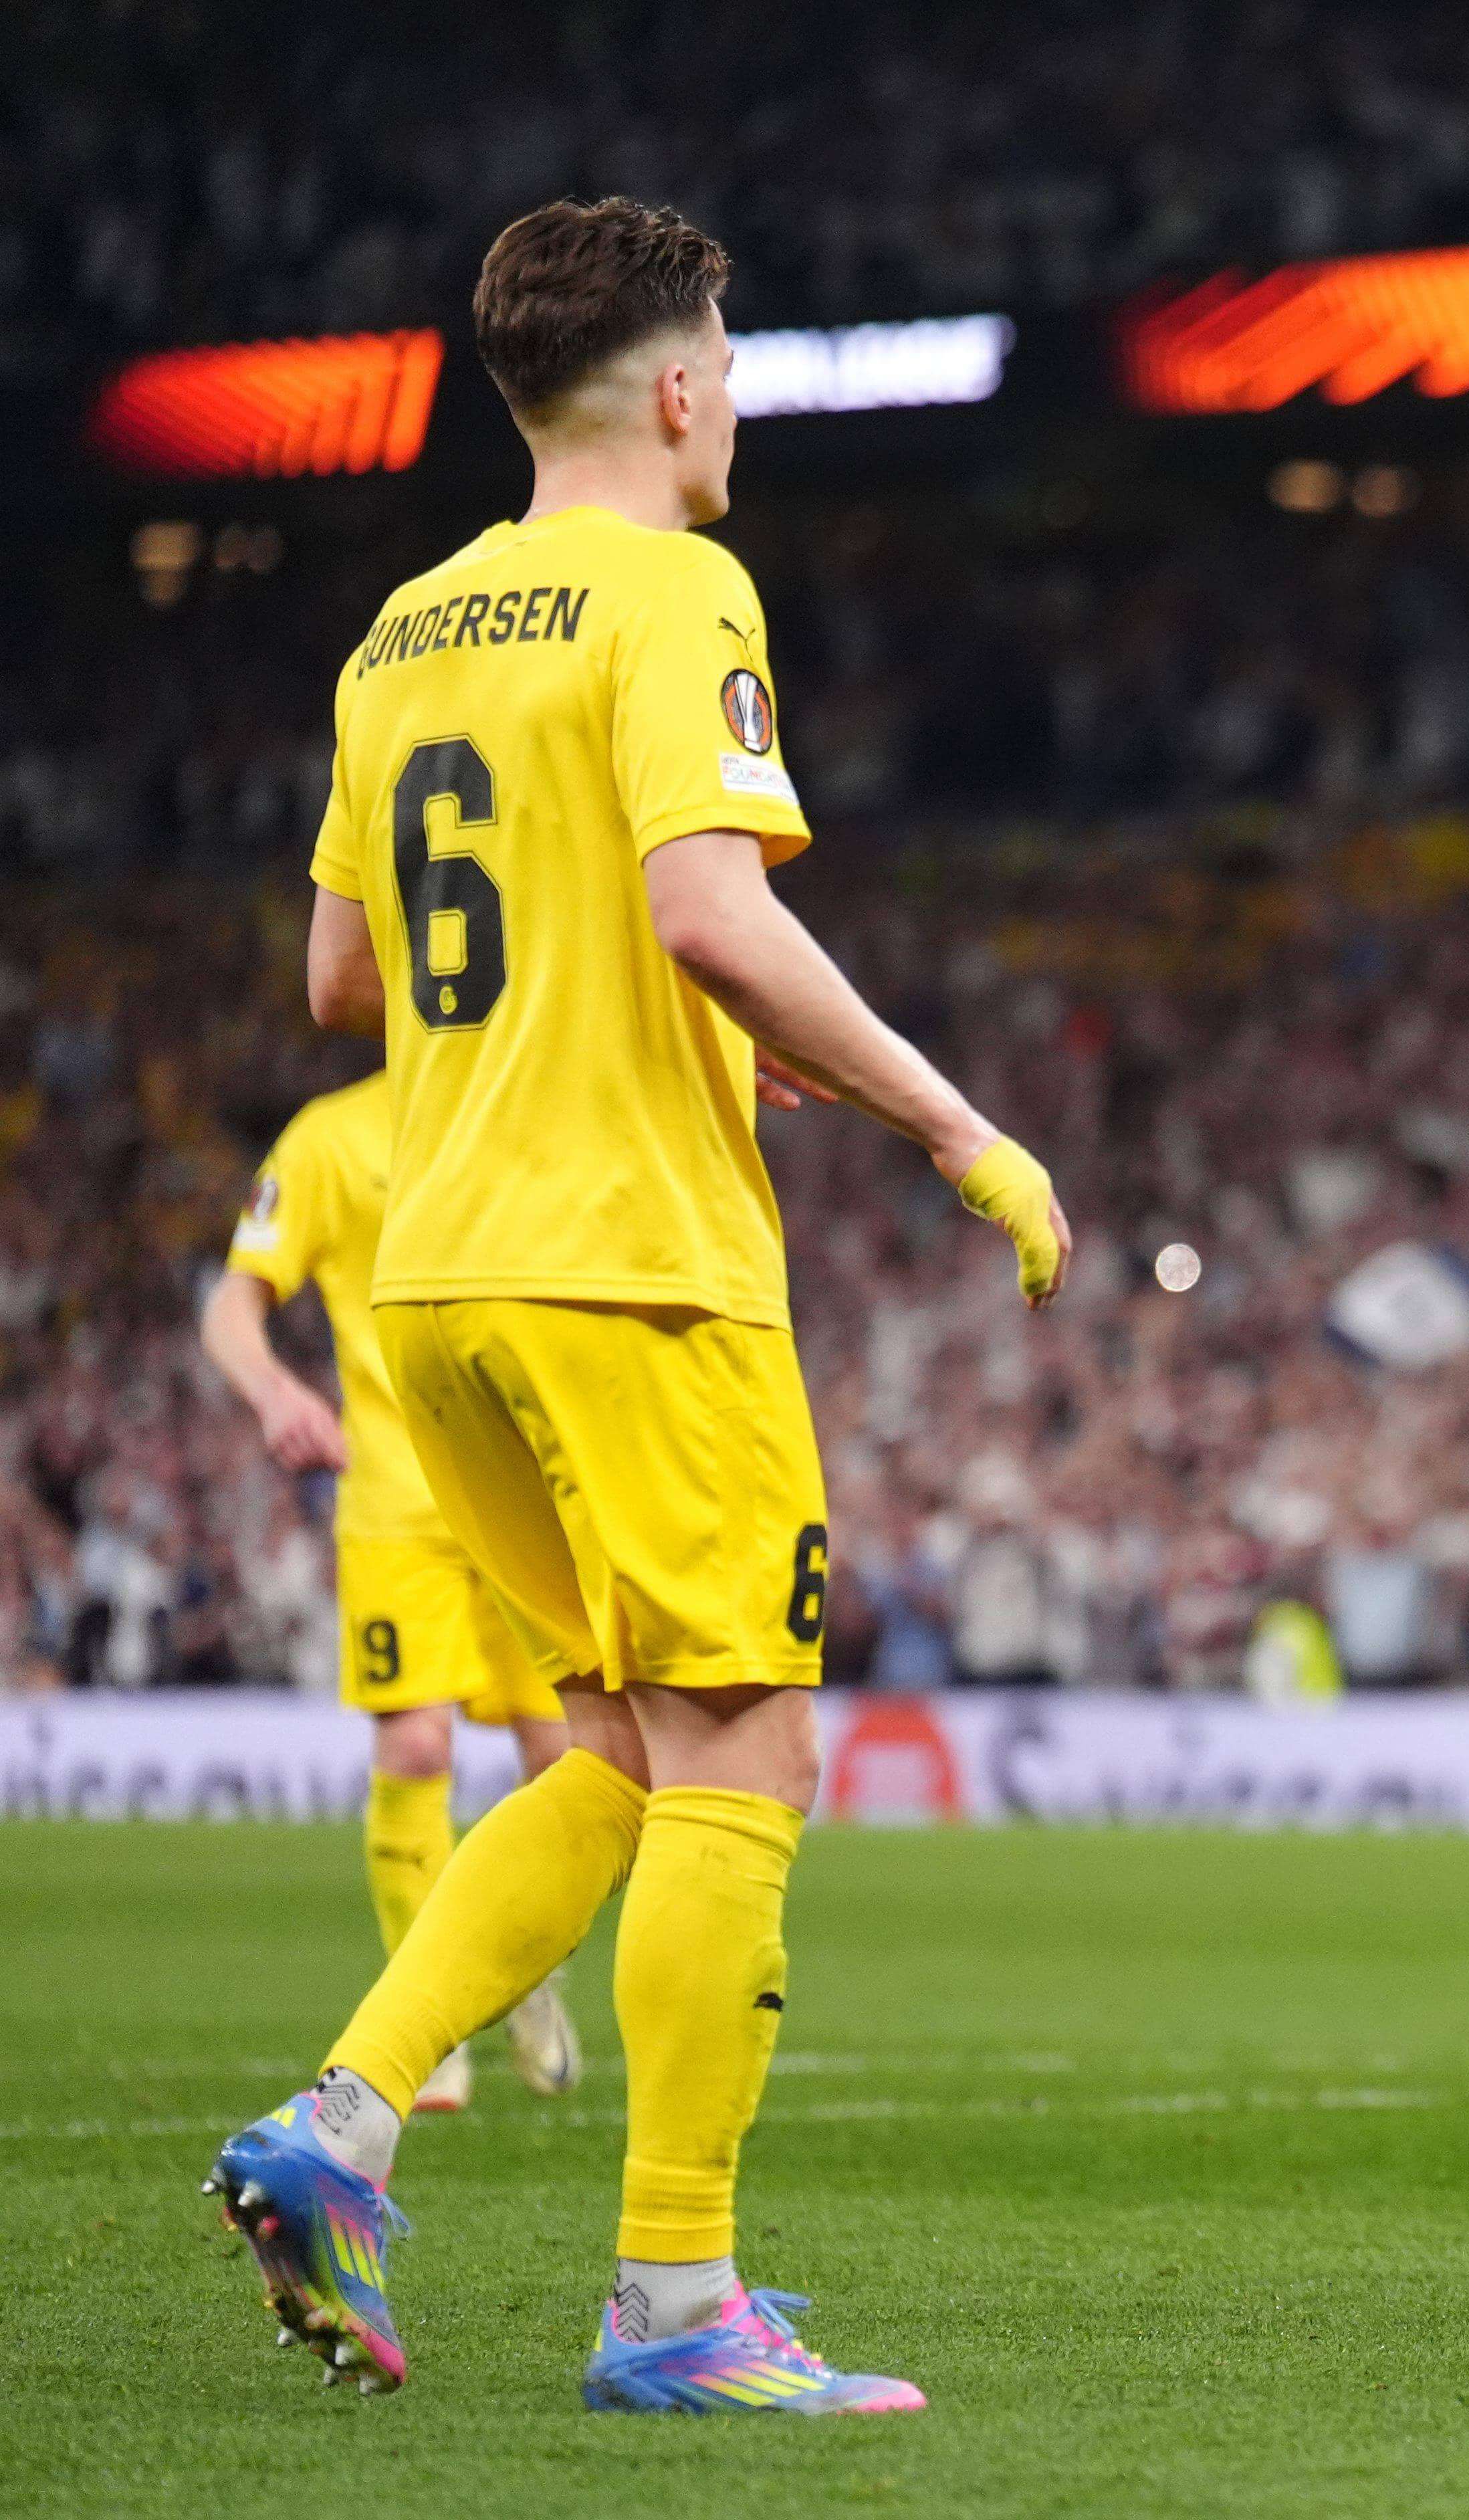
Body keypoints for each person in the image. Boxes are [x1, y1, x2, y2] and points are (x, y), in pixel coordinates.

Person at [203, 195, 1070, 2412]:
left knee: (609, 1739)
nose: (743, 407)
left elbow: (337, 976)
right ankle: (680, 2300)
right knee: (750, 1748)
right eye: (739, 368)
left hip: (443, 1275)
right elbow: (705, 902)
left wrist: (617, 975)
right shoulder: (681, 586)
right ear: (683, 382)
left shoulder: (402, 628)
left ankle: (345, 2115)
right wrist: (953, 1121)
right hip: (632, 1260)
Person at [205, 1069, 583, 2116]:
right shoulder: (329, 1139)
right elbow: (231, 1304)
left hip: (531, 1498)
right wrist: (277, 1390)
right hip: (397, 1504)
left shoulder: (527, 1091)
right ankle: (434, 2027)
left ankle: (521, 1966)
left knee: (572, 1770)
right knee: (416, 1747)